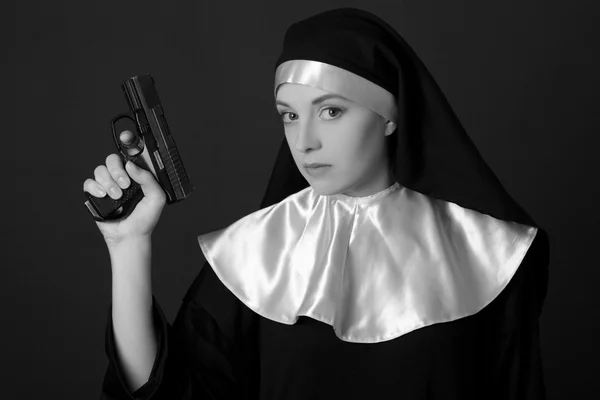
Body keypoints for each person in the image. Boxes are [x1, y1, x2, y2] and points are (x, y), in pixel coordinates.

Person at [85, 8, 549, 399]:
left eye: (331, 111)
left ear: (390, 115)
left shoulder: (487, 254)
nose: (303, 142)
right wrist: (128, 245)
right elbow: (167, 394)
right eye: (289, 115)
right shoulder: (258, 253)